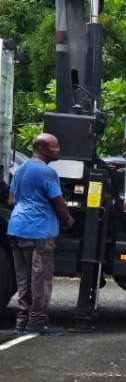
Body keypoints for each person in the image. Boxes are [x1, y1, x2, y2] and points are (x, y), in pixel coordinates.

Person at [8, 133, 74, 336]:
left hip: (16, 227)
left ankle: (22, 321)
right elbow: (58, 203)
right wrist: (68, 220)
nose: (59, 151)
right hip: (38, 231)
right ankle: (37, 323)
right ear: (43, 149)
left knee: (24, 278)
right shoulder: (47, 172)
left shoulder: (21, 169)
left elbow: (11, 200)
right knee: (41, 278)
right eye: (55, 147)